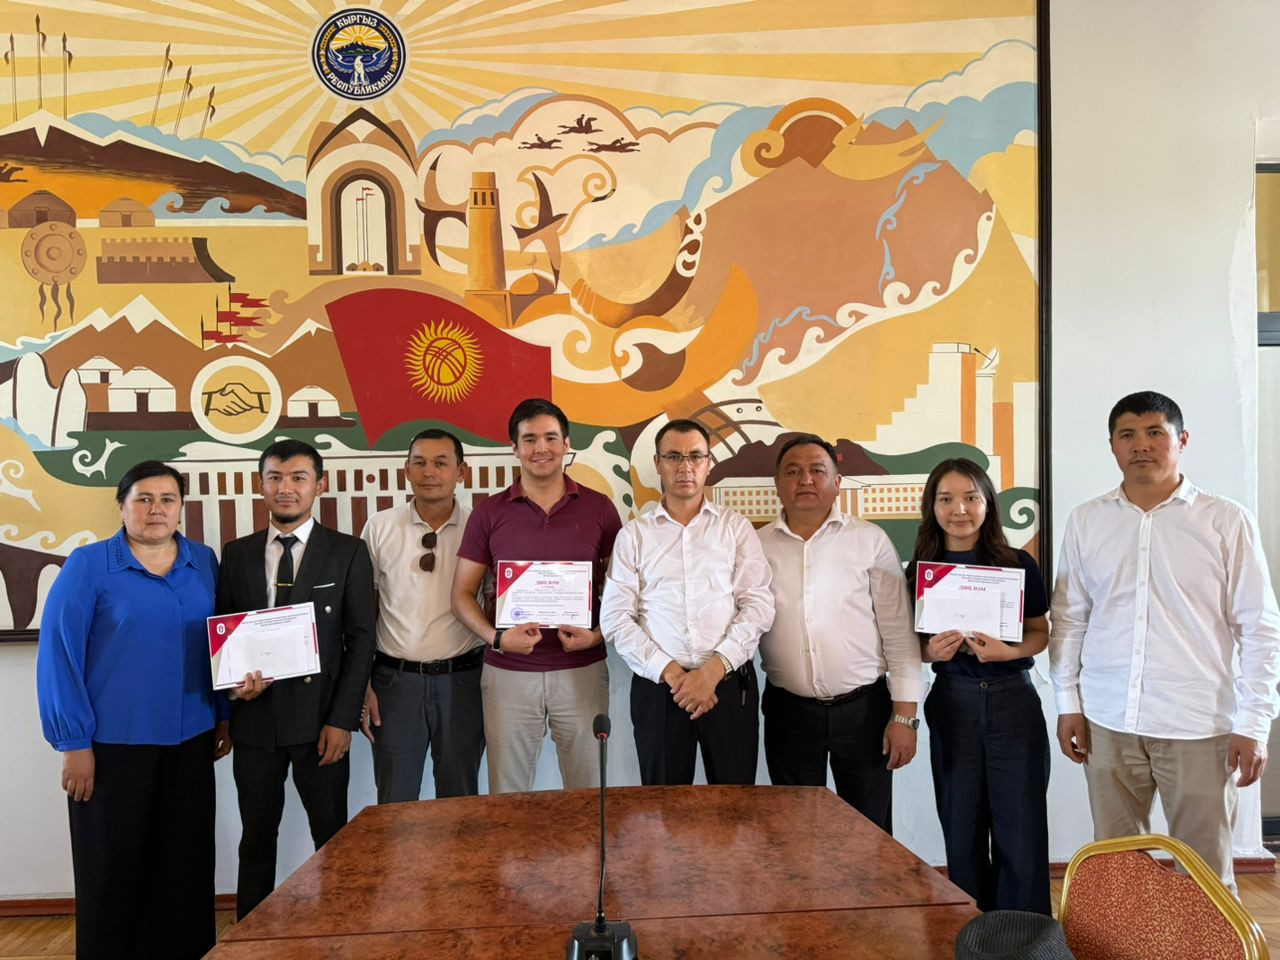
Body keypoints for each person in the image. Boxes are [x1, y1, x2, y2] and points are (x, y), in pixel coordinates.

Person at [1050, 391, 1280, 890]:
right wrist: (1068, 704)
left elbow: (1259, 627)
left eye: (1155, 432)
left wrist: (1254, 722)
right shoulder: (1087, 520)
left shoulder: (1225, 520)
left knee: (1204, 875)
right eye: (1127, 435)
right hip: (1108, 719)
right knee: (1117, 871)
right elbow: (1070, 618)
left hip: (1197, 723)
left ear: (1182, 440)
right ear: (1112, 445)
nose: (1141, 445)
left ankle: (1208, 936)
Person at [36, 460, 230, 960]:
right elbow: (59, 654)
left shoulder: (203, 561)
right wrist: (73, 743)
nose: (155, 509)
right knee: (111, 874)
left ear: (181, 507)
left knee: (185, 871)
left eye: (167, 499)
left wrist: (224, 713)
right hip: (111, 749)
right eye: (143, 498)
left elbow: (219, 644)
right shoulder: (88, 565)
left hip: (191, 742)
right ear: (121, 506)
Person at [218, 438, 375, 918]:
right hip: (255, 723)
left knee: (332, 837)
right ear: (261, 485)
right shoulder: (237, 553)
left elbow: (361, 641)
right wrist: (232, 690)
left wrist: (342, 721)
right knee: (255, 839)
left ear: (319, 485)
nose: (286, 488)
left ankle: (338, 930)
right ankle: (250, 936)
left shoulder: (347, 552)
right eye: (275, 478)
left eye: (298, 478)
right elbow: (224, 637)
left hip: (320, 724)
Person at [451, 398, 622, 793]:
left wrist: (597, 636)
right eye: (529, 439)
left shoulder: (599, 509)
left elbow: (622, 593)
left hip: (581, 670)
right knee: (507, 797)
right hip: (508, 673)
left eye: (550, 438)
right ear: (514, 448)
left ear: (566, 444)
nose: (540, 448)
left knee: (587, 794)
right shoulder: (489, 512)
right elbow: (461, 595)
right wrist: (497, 638)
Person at [757, 434, 921, 833]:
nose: (805, 480)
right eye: (792, 471)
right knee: (795, 833)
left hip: (865, 712)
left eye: (817, 470)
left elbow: (899, 634)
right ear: (777, 483)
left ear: (837, 482)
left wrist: (905, 717)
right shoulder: (754, 545)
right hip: (788, 712)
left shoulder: (869, 541)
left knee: (869, 834)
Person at [908, 458, 1051, 914]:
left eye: (971, 497)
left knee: (1021, 831)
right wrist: (932, 652)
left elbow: (1040, 632)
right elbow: (909, 646)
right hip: (954, 704)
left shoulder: (1017, 563)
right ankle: (975, 934)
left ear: (988, 503)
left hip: (1013, 702)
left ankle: (1026, 937)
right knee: (962, 827)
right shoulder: (920, 571)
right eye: (946, 499)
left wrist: (1007, 652)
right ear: (932, 506)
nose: (959, 510)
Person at [601, 419, 774, 785]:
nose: (685, 466)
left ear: (709, 463)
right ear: (657, 463)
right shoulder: (634, 536)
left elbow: (758, 606)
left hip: (728, 684)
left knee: (734, 806)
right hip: (660, 687)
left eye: (695, 456)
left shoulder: (735, 528)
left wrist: (711, 673)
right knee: (663, 806)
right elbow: (616, 619)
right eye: (673, 456)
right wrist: (676, 676)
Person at [360, 428, 485, 801]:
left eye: (441, 463)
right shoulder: (380, 526)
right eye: (420, 463)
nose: (429, 472)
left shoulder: (480, 526)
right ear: (406, 470)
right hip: (394, 684)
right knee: (395, 802)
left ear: (461, 472)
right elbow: (362, 612)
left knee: (460, 799)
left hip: (463, 681)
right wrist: (362, 684)